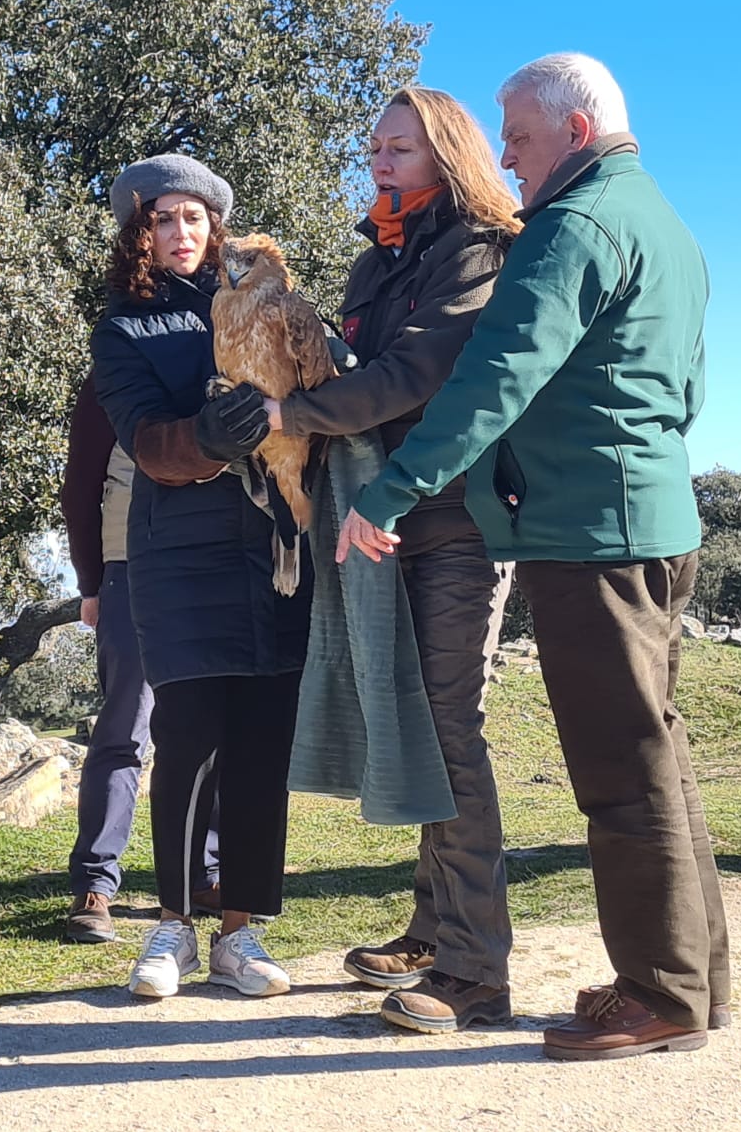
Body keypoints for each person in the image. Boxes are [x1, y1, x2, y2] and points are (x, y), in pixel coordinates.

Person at [338, 53, 731, 1061]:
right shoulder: (665, 226)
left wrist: (389, 492)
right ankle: (691, 981)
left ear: (580, 128)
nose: (505, 154)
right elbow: (684, 392)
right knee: (661, 759)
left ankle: (658, 996)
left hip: (590, 533)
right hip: (650, 521)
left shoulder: (572, 228)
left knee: (621, 772)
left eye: (517, 134)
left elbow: (492, 380)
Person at [267, 86, 521, 1034]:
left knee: (452, 731)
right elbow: (352, 369)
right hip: (384, 520)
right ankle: (431, 930)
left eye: (401, 148)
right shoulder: (381, 254)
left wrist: (289, 416)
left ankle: (475, 973)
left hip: (453, 521)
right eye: (374, 146)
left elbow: (415, 377)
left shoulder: (476, 249)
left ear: (447, 154)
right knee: (415, 725)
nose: (380, 160)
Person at [90, 153, 311, 1000]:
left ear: (215, 227)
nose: (179, 235)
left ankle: (241, 934)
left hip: (273, 548)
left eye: (193, 219)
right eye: (160, 220)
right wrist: (206, 440)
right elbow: (145, 438)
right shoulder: (122, 329)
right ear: (138, 234)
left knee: (261, 746)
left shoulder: (263, 304)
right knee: (188, 739)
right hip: (177, 553)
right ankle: (173, 928)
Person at [58, 370, 220, 943]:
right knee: (126, 727)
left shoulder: (226, 352)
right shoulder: (112, 370)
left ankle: (205, 872)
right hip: (130, 561)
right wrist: (91, 583)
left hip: (218, 555)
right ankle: (96, 883)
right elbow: (80, 483)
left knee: (211, 726)